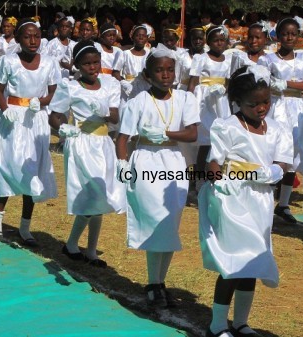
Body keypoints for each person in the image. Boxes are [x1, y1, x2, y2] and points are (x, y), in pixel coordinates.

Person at [199, 65, 293, 337]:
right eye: (254, 104)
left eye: (266, 102)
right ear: (237, 102)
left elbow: (284, 163)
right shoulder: (226, 126)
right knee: (234, 261)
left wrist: (273, 172)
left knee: (253, 260)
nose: (262, 108)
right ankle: (217, 324)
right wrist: (219, 184)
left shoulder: (277, 129)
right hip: (233, 198)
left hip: (260, 199)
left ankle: (241, 321)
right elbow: (214, 163)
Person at [115, 47, 199, 307]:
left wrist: (167, 134)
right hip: (146, 160)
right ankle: (153, 282)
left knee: (169, 223)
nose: (165, 75)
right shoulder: (138, 101)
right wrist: (122, 164)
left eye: (169, 69)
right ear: (147, 75)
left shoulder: (184, 99)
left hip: (173, 161)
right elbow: (122, 138)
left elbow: (193, 133)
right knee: (154, 221)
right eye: (159, 70)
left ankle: (160, 282)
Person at [49, 40, 125, 267]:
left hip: (103, 143)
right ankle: (73, 244)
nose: (93, 67)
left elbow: (114, 117)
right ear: (78, 66)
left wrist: (103, 110)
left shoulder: (110, 83)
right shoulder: (70, 86)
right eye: (87, 64)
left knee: (101, 195)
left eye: (96, 63)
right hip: (81, 144)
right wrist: (62, 127)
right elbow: (56, 114)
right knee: (92, 193)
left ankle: (89, 250)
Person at [0, 19, 59, 243]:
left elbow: (53, 90)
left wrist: (42, 101)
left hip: (36, 119)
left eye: (37, 36)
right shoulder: (8, 61)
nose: (32, 41)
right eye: (27, 36)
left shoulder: (49, 62)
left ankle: (25, 225)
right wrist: (4, 108)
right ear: (18, 39)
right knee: (8, 165)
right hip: (13, 117)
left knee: (32, 169)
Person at [258, 18, 303, 224]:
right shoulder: (268, 59)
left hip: (297, 108)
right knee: (273, 153)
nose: (289, 37)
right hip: (276, 107)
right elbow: (263, 82)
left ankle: (283, 203)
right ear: (278, 36)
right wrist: (285, 86)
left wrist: (286, 83)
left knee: (293, 154)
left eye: (293, 34)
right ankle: (265, 200)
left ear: (298, 35)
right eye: (285, 34)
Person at [187, 25, 231, 190]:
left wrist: (224, 91)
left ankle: (216, 180)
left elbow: (228, 83)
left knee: (218, 142)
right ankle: (198, 182)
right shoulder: (201, 58)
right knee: (204, 143)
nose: (219, 43)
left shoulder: (228, 60)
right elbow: (192, 84)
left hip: (220, 103)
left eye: (222, 40)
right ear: (208, 42)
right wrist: (189, 105)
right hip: (204, 102)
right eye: (215, 40)